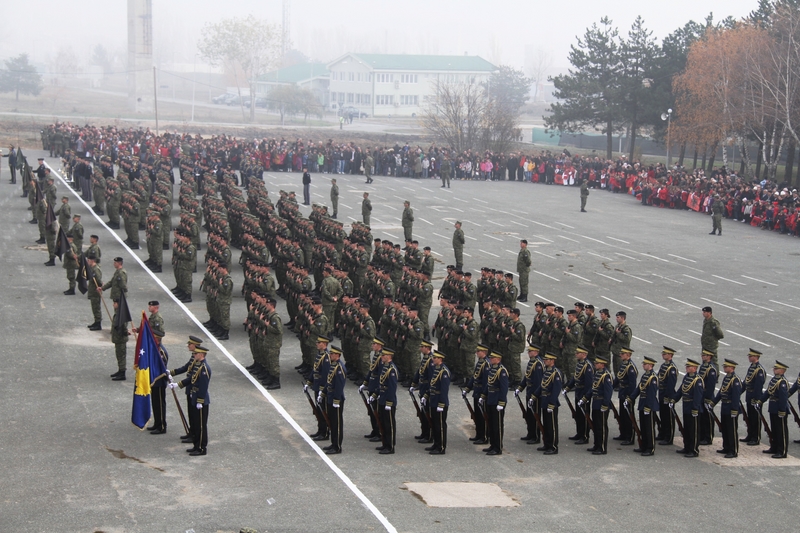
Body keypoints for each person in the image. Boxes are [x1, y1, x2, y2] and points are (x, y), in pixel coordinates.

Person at [170, 345, 211, 456]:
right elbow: (191, 379)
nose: (194, 355)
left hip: (200, 400)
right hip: (194, 396)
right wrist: (178, 385)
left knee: (201, 426)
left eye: (196, 354)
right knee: (196, 424)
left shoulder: (204, 368)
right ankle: (196, 445)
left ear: (201, 355)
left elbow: (203, 386)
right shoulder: (198, 365)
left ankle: (202, 448)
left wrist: (200, 401)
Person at [672, 358, 704, 458]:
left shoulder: (698, 380)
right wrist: (674, 400)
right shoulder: (687, 377)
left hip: (693, 407)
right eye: (687, 366)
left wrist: (695, 408)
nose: (687, 368)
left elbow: (698, 396)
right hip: (686, 405)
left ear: (694, 368)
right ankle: (687, 447)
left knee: (693, 430)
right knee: (687, 428)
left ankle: (694, 449)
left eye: (689, 366)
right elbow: (681, 390)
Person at [628, 356, 658, 456]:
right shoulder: (645, 376)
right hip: (642, 403)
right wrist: (631, 398)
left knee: (649, 428)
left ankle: (650, 448)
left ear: (650, 365)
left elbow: (652, 394)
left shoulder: (653, 377)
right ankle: (644, 446)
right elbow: (639, 388)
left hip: (648, 406)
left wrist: (648, 407)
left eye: (645, 364)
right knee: (643, 427)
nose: (643, 365)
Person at [583, 355, 613, 455]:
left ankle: (602, 447)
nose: (595, 364)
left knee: (602, 426)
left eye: (597, 363)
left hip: (601, 403)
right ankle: (597, 444)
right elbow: (593, 388)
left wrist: (605, 404)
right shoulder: (597, 374)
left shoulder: (606, 375)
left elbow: (608, 392)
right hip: (595, 402)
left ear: (602, 364)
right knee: (596, 425)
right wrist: (586, 397)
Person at [712, 359, 742, 458]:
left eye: (726, 366)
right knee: (724, 428)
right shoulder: (727, 378)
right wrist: (713, 402)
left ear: (732, 368)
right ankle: (726, 447)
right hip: (724, 406)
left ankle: (733, 450)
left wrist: (734, 409)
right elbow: (721, 391)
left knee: (731, 430)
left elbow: (736, 396)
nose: (724, 368)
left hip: (731, 407)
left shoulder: (735, 380)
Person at [564, 346, 593, 444]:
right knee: (578, 415)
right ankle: (579, 433)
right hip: (578, 392)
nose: (576, 354)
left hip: (583, 393)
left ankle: (584, 436)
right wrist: (568, 387)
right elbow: (575, 377)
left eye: (578, 353)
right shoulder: (580, 364)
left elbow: (589, 384)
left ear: (584, 354)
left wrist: (585, 397)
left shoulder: (587, 366)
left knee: (584, 415)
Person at [516, 344, 544, 444]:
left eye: (530, 351)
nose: (528, 353)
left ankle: (536, 436)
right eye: (528, 351)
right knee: (529, 415)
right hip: (529, 391)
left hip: (535, 394)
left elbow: (538, 382)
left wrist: (534, 395)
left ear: (536, 352)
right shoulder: (531, 362)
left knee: (535, 415)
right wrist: (520, 388)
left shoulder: (538, 364)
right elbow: (527, 376)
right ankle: (530, 433)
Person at [761, 361, 789, 459]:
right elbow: (768, 392)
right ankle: (774, 447)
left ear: (782, 371)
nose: (774, 370)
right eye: (774, 368)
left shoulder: (782, 382)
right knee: (774, 429)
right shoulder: (774, 380)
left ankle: (782, 451)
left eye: (776, 369)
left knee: (781, 431)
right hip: (773, 407)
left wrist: (782, 410)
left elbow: (783, 398)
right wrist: (760, 401)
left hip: (779, 408)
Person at [535, 353, 562, 455]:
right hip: (544, 400)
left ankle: (553, 446)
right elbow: (542, 386)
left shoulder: (556, 373)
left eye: (547, 359)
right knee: (546, 424)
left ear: (552, 361)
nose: (545, 361)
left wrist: (552, 403)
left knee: (552, 426)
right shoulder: (547, 372)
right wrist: (534, 396)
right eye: (544, 359)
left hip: (551, 402)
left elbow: (556, 390)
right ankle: (547, 444)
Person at [463, 344, 490, 445]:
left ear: (483, 352)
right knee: (477, 415)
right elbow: (474, 377)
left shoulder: (486, 364)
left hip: (482, 393)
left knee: (483, 416)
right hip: (476, 392)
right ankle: (479, 434)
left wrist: (483, 395)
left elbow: (486, 382)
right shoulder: (479, 363)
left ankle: (484, 436)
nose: (476, 353)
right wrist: (468, 389)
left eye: (478, 351)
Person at [483, 351, 508, 455]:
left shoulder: (502, 371)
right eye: (490, 358)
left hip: (497, 400)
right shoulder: (492, 369)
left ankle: (498, 448)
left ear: (498, 359)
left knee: (497, 425)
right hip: (491, 400)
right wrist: (483, 395)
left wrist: (501, 402)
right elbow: (489, 385)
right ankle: (492, 445)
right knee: (491, 425)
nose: (491, 359)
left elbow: (504, 388)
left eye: (493, 358)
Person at [425, 350, 450, 454]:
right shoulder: (436, 369)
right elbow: (432, 385)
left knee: (440, 425)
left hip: (440, 402)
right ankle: (436, 444)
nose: (433, 359)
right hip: (433, 400)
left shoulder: (444, 371)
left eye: (435, 358)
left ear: (440, 359)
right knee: (435, 424)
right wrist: (427, 395)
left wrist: (441, 404)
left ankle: (441, 447)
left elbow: (444, 390)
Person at [323, 346, 346, 455]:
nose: (330, 355)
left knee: (337, 423)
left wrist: (336, 400)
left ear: (337, 355)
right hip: (331, 396)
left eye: (332, 354)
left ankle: (337, 446)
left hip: (336, 399)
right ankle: (333, 443)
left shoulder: (339, 368)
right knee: (332, 422)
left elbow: (339, 386)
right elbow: (329, 381)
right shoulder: (333, 366)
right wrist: (323, 392)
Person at [376, 348, 398, 454]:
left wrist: (389, 402)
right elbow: (382, 384)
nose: (382, 357)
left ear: (389, 356)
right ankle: (385, 443)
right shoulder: (385, 368)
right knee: (383, 423)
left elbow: (392, 388)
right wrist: (376, 393)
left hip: (388, 400)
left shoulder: (392, 369)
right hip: (382, 399)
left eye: (384, 355)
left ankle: (390, 446)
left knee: (389, 424)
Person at [613, 347, 638, 445]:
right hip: (622, 393)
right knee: (622, 415)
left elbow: (632, 384)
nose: (621, 355)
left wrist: (630, 397)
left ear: (628, 355)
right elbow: (618, 378)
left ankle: (629, 437)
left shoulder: (630, 367)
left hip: (627, 394)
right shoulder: (623, 365)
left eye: (623, 354)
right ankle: (623, 434)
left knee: (628, 417)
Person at [742, 349, 766, 445]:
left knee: (755, 418)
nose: (749, 357)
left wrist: (756, 399)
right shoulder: (751, 367)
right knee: (750, 417)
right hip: (749, 394)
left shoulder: (759, 369)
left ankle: (755, 437)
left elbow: (758, 385)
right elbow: (746, 381)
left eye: (751, 356)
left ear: (756, 357)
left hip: (755, 396)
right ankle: (750, 434)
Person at [148, 328, 169, 434]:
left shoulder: (161, 351)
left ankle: (161, 426)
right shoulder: (154, 349)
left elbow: (162, 368)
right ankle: (157, 423)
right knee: (155, 403)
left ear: (157, 339)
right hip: (154, 381)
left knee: (160, 404)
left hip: (159, 382)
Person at [656, 346, 678, 445]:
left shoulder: (672, 368)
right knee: (662, 415)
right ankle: (662, 433)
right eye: (663, 353)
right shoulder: (663, 366)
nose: (663, 355)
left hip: (667, 394)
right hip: (661, 393)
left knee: (668, 417)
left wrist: (668, 397)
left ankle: (669, 437)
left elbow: (671, 384)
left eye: (665, 354)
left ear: (670, 355)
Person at [698, 349, 718, 445]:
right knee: (702, 417)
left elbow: (711, 385)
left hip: (707, 396)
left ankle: (708, 437)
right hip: (701, 395)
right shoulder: (703, 366)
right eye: (702, 355)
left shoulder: (711, 369)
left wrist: (707, 398)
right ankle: (702, 436)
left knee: (708, 418)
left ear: (709, 356)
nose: (703, 356)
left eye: (705, 355)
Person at [110, 298, 130, 381]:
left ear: (118, 304)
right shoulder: (118, 313)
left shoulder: (121, 315)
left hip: (120, 339)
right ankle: (120, 370)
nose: (113, 305)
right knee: (118, 355)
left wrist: (126, 333)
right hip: (117, 339)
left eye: (115, 303)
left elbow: (123, 327)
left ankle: (122, 373)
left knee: (121, 356)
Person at [85, 253, 103, 330]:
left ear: (92, 261)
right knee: (94, 308)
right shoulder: (92, 268)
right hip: (93, 291)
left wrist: (100, 287)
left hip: (96, 292)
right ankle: (96, 322)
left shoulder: (96, 269)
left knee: (96, 308)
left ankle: (98, 324)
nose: (87, 261)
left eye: (88, 260)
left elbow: (99, 281)